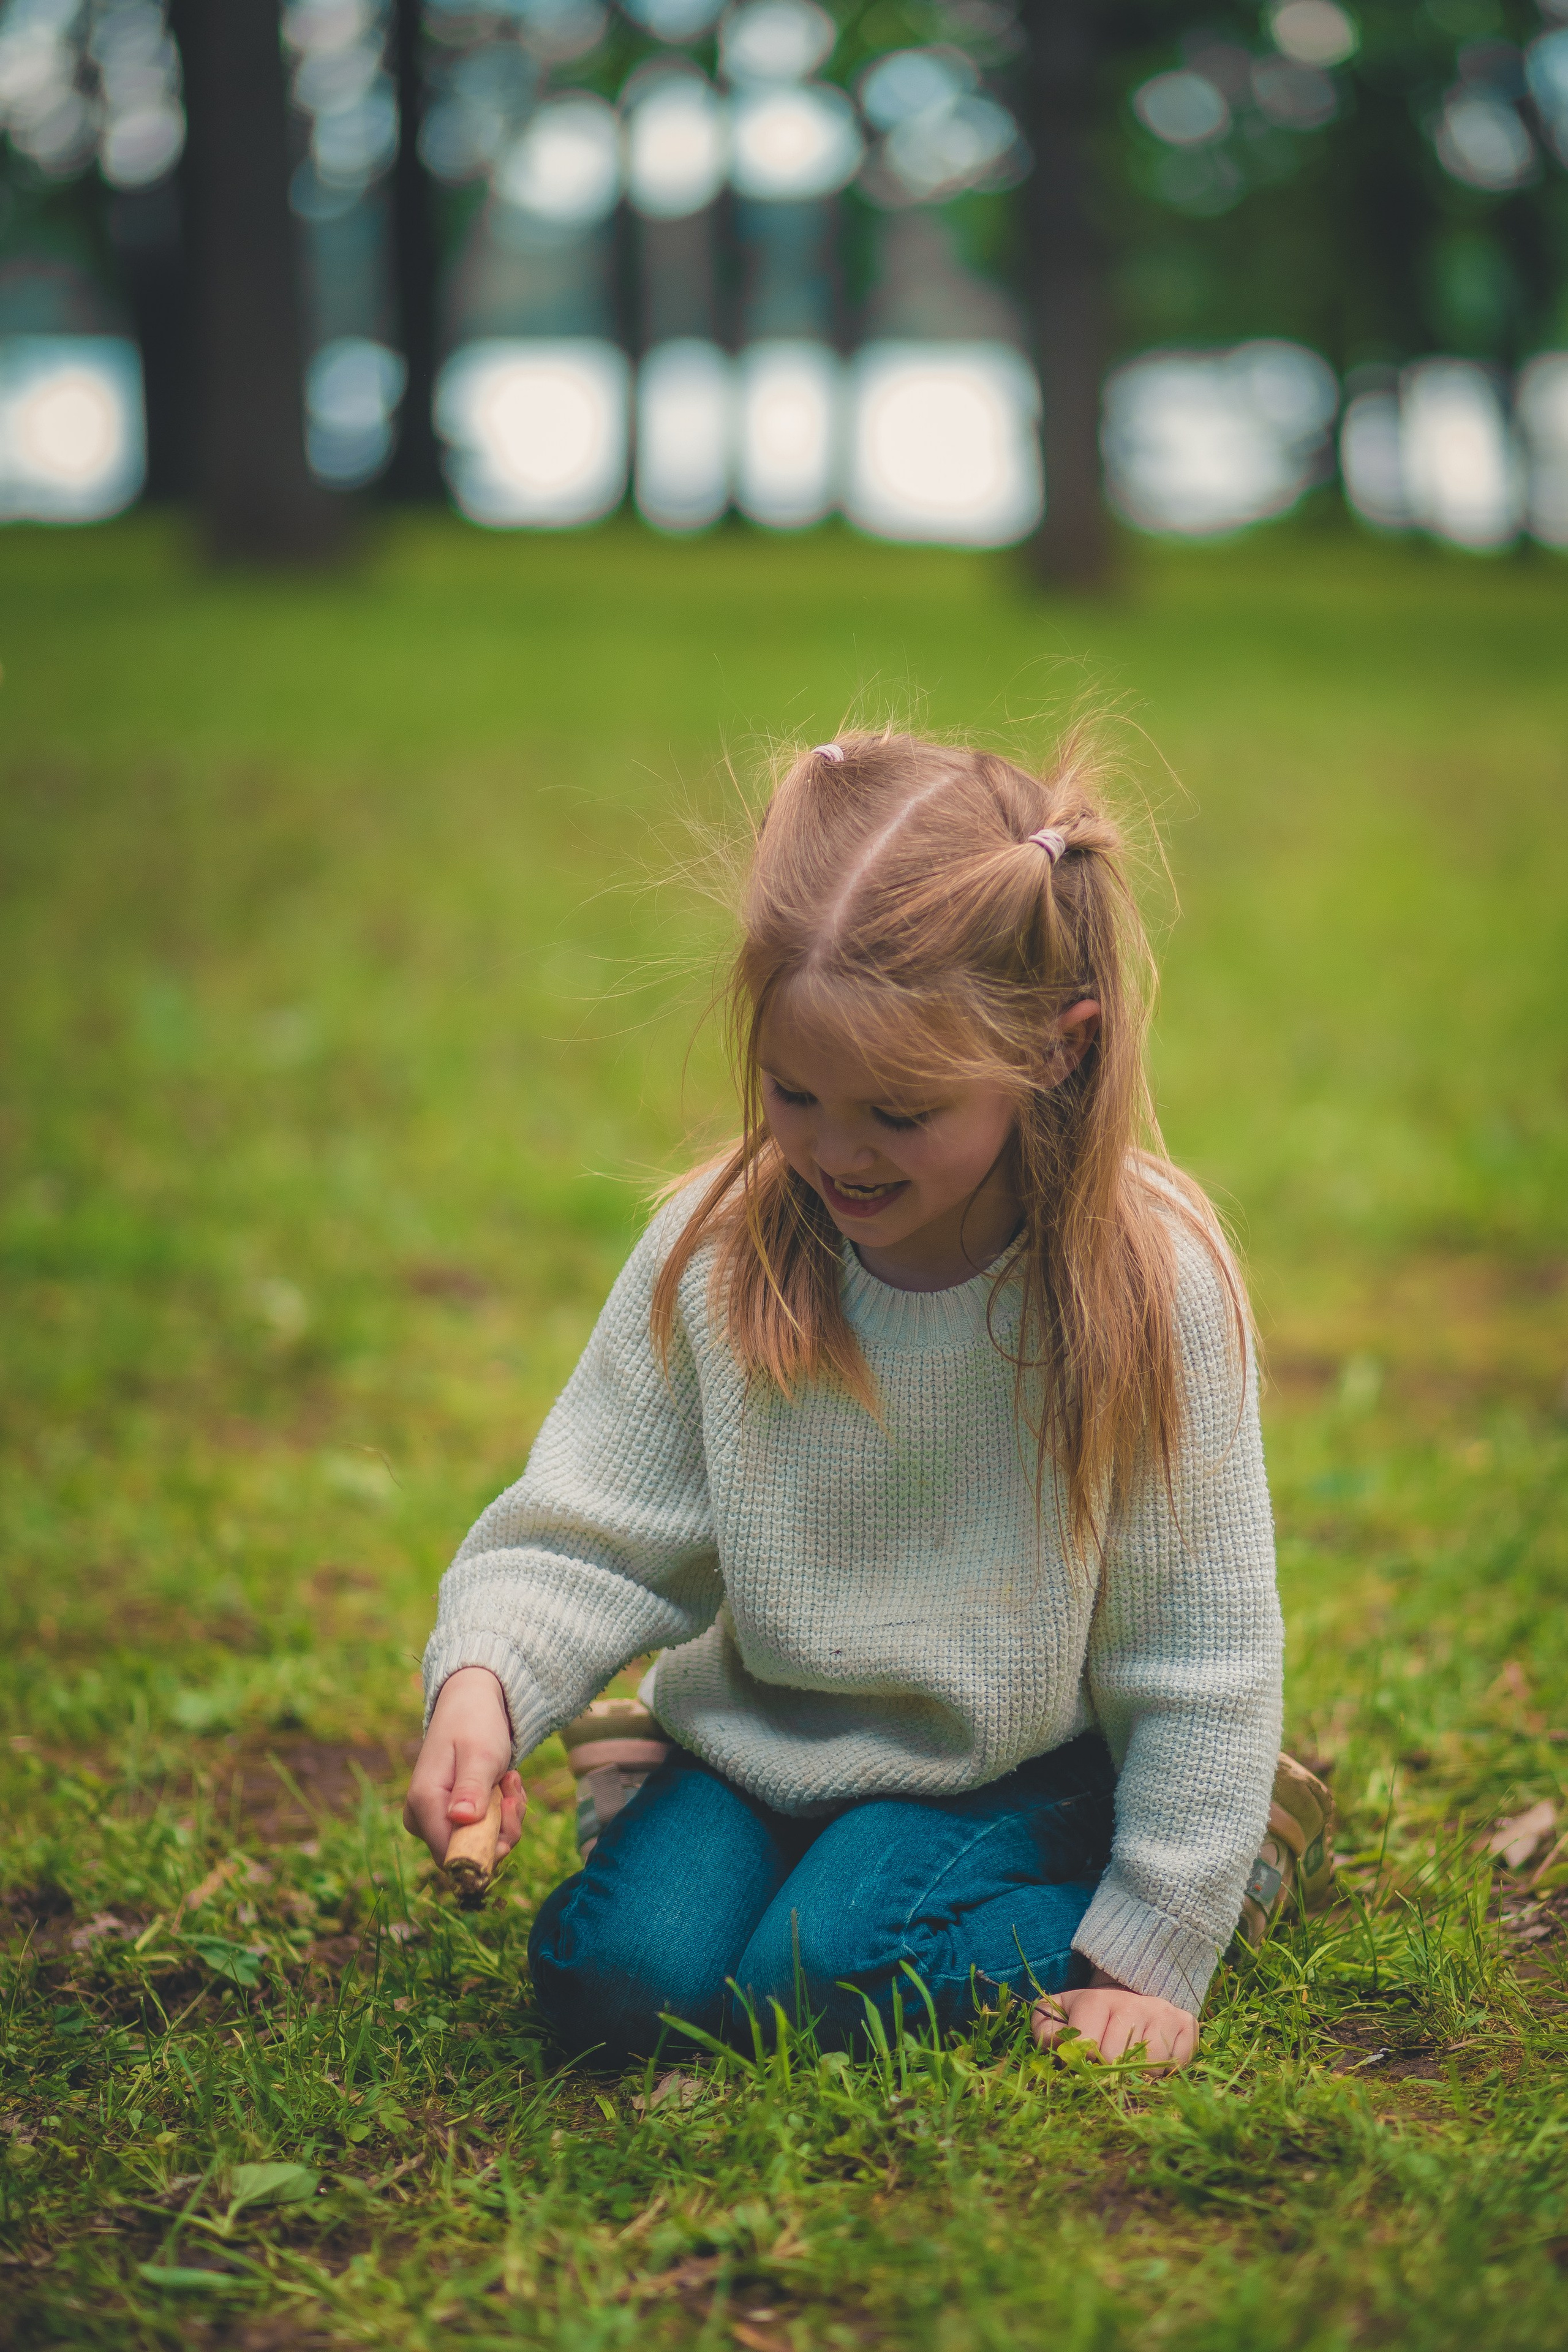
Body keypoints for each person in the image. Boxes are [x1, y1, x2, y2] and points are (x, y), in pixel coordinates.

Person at [404, 729, 1321, 2073]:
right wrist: (482, 1684)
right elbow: (588, 1529)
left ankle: (1244, 1857)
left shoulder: (1147, 1283)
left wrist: (1153, 1941)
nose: (836, 1150)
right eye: (793, 1092)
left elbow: (1196, 1646)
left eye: (899, 1111)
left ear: (1056, 1053)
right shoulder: (717, 1255)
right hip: (756, 1746)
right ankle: (675, 1816)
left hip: (1012, 1769)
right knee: (610, 1987)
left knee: (823, 1978)